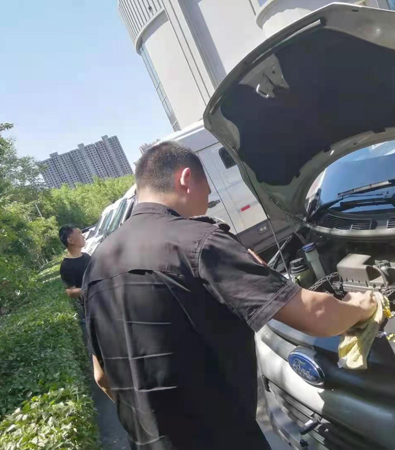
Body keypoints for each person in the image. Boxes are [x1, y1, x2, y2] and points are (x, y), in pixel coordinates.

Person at [82, 142, 377, 450]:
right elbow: (316, 316)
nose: (208, 200)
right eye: (207, 191)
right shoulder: (199, 242)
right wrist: (359, 306)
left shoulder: (98, 264)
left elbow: (101, 376)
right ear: (185, 179)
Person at [58, 226, 91, 302]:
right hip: (90, 302)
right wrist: (90, 288)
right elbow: (70, 292)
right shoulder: (66, 266)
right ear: (70, 240)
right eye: (79, 234)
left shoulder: (86, 256)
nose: (83, 236)